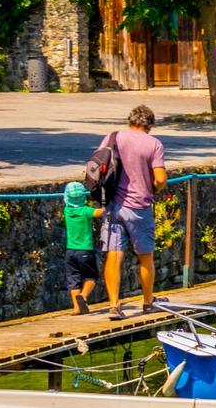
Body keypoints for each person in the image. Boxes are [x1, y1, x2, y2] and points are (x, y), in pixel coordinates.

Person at [101, 104, 167, 320]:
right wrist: (152, 188)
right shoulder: (153, 144)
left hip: (113, 207)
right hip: (140, 207)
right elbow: (160, 179)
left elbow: (98, 165)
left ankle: (113, 306)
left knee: (114, 255)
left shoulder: (112, 137)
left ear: (130, 121)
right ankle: (148, 303)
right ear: (149, 125)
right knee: (145, 256)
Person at [62, 181, 102, 315]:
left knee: (73, 280)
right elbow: (100, 212)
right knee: (92, 276)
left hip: (70, 252)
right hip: (85, 250)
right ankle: (83, 296)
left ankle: (76, 308)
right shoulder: (86, 211)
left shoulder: (67, 211)